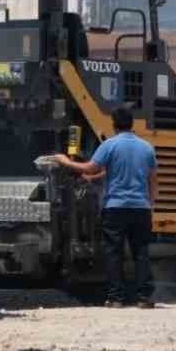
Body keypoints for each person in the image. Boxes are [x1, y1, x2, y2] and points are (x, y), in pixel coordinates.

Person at [53, 105, 157, 308]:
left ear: (114, 125)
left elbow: (91, 166)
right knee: (141, 252)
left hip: (116, 208)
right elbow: (152, 180)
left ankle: (116, 298)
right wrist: (150, 205)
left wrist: (65, 161)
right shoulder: (147, 148)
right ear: (131, 124)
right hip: (141, 208)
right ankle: (144, 298)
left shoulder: (110, 145)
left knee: (113, 252)